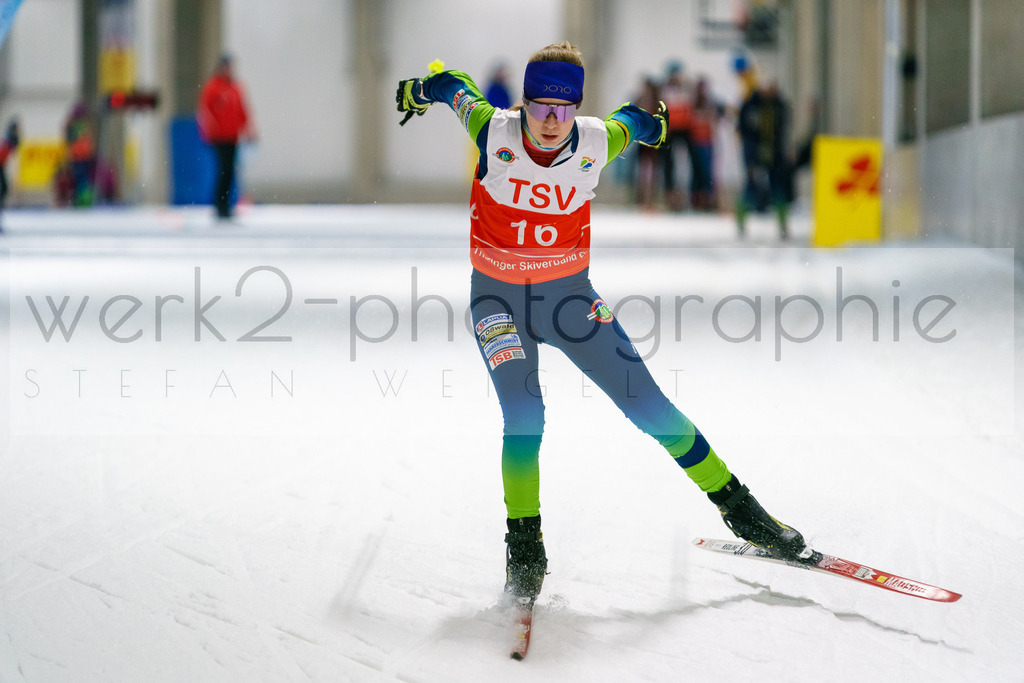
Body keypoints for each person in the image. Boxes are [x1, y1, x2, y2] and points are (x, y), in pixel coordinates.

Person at [396, 42, 812, 606]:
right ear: (521, 103)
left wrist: (658, 127)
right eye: (538, 107)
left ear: (578, 110)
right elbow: (455, 89)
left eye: (563, 110)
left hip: (568, 300)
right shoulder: (492, 129)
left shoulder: (595, 139)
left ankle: (743, 511)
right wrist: (423, 89)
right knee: (524, 413)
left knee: (651, 409)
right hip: (497, 302)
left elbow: (633, 120)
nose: (549, 122)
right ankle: (526, 551)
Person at [197, 54, 254, 220]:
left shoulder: (235, 87)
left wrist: (247, 129)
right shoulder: (213, 88)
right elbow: (205, 111)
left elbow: (242, 110)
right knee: (224, 170)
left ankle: (227, 205)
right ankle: (220, 206)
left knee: (230, 172)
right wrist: (210, 130)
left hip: (232, 136)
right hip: (219, 137)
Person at [736, 81, 791, 238]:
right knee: (749, 187)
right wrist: (751, 152)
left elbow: (782, 130)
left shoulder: (779, 106)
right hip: (754, 153)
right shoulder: (750, 106)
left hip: (774, 154)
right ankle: (741, 223)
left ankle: (783, 224)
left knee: (778, 188)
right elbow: (744, 130)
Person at [0, 117, 19, 233]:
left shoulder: (9, 141)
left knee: (4, 190)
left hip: (1, 166)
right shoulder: (9, 140)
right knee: (3, 190)